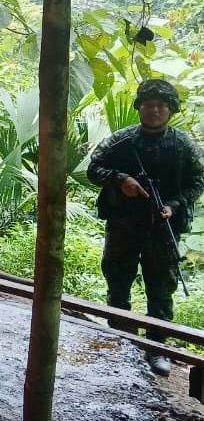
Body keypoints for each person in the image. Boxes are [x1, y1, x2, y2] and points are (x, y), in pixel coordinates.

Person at [87, 79, 204, 377]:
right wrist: (120, 179)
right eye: (148, 104)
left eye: (161, 106)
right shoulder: (121, 140)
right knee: (118, 281)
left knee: (161, 288)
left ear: (170, 110)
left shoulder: (183, 144)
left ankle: (157, 349)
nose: (154, 110)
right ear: (139, 107)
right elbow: (93, 169)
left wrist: (173, 206)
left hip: (162, 226)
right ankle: (123, 341)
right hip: (124, 224)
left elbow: (197, 182)